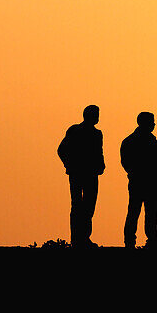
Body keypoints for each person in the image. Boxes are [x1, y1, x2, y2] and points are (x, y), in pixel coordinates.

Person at [57, 104, 105, 247]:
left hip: (92, 174)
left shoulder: (97, 134)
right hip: (77, 173)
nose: (97, 117)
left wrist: (101, 165)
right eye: (95, 114)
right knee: (77, 205)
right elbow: (61, 150)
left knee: (89, 207)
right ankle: (76, 239)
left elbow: (99, 152)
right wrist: (69, 165)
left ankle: (84, 238)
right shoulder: (75, 130)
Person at [120, 111, 157, 248]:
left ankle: (151, 239)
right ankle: (130, 242)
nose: (154, 125)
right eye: (152, 122)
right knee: (135, 212)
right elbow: (126, 162)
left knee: (151, 213)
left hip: (150, 182)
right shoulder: (131, 140)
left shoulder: (150, 139)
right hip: (140, 182)